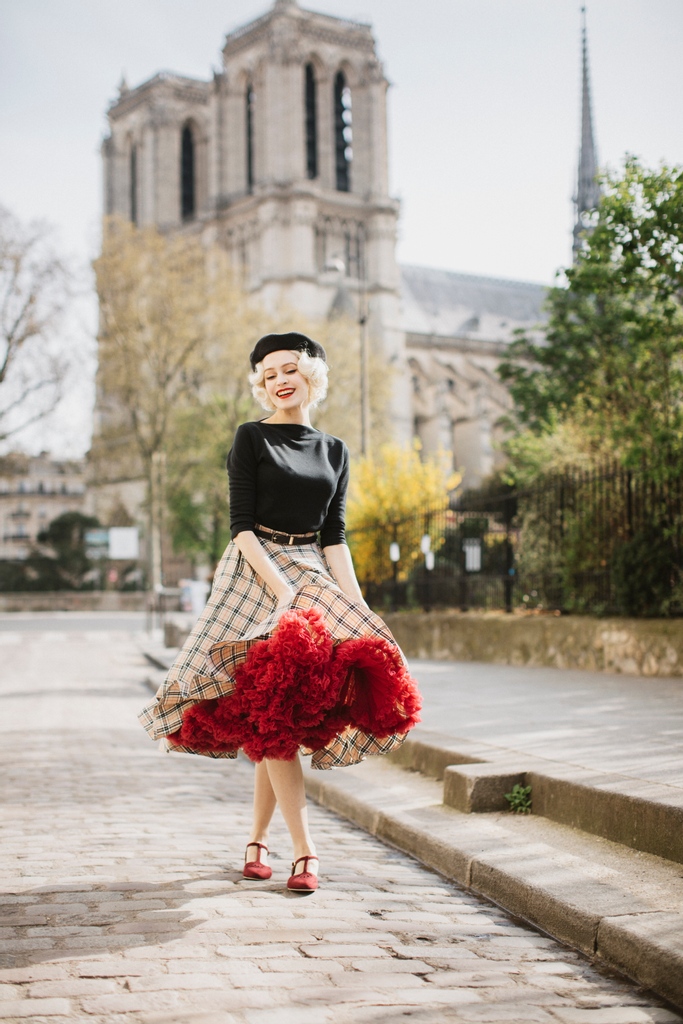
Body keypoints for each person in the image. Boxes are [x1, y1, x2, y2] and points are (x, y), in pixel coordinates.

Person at [139, 331, 421, 893]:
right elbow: (240, 526)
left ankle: (257, 841)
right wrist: (282, 593)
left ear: (310, 374)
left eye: (287, 369)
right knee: (271, 710)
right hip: (253, 572)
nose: (278, 381)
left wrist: (357, 605)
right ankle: (305, 851)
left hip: (311, 568)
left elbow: (334, 536)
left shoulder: (334, 450)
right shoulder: (250, 439)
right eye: (267, 375)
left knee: (280, 714)